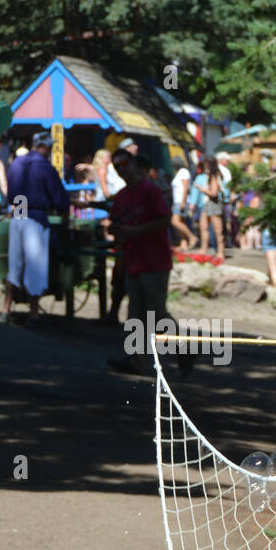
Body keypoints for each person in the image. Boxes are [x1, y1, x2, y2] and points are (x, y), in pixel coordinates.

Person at [106, 149, 189, 378]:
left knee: (157, 315)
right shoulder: (122, 196)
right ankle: (137, 361)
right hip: (133, 260)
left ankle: (185, 349)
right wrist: (117, 231)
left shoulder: (150, 190)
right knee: (136, 314)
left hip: (155, 261)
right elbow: (115, 223)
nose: (121, 169)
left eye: (124, 163)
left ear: (133, 164)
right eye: (117, 167)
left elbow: (163, 221)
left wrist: (135, 231)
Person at [3, 131, 69, 323]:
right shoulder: (45, 167)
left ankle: (6, 309)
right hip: (36, 216)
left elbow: (13, 195)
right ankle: (33, 313)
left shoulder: (17, 163)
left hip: (19, 214)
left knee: (14, 263)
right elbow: (59, 198)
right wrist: (63, 210)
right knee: (35, 265)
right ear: (47, 147)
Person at [192, 155, 227, 263]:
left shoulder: (214, 176)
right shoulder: (207, 176)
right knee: (203, 227)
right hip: (207, 205)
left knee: (218, 230)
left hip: (213, 204)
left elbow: (214, 192)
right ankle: (204, 249)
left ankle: (220, 252)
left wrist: (201, 189)